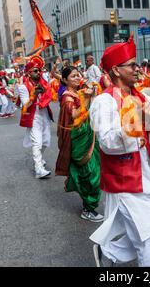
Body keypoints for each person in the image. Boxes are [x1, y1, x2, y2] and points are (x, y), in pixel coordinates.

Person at [89, 36, 150, 267]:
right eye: (132, 65)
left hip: (145, 173)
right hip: (124, 179)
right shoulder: (103, 102)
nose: (138, 69)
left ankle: (110, 252)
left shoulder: (140, 96)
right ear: (116, 70)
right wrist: (138, 121)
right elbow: (107, 142)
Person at [55, 66, 103, 222]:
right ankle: (88, 208)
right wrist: (87, 99)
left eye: (78, 75)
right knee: (89, 174)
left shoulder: (78, 92)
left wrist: (89, 95)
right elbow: (75, 116)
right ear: (65, 80)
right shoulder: (67, 98)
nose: (77, 78)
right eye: (73, 76)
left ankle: (88, 204)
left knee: (92, 171)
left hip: (88, 134)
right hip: (79, 139)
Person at [18, 56, 54, 179]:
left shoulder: (43, 83)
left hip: (44, 115)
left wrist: (44, 91)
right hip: (34, 116)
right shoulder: (23, 87)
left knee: (46, 141)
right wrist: (34, 94)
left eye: (39, 70)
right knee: (37, 143)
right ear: (28, 73)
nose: (38, 72)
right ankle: (39, 168)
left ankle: (39, 159)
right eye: (35, 71)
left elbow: (49, 95)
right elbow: (25, 105)